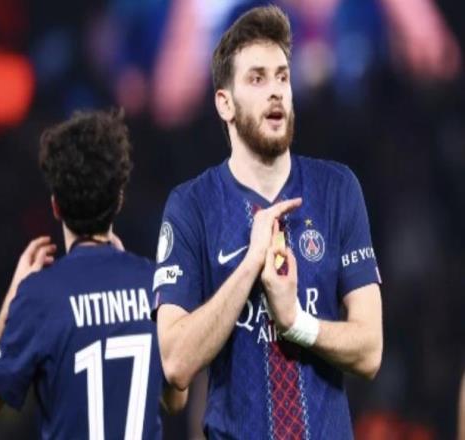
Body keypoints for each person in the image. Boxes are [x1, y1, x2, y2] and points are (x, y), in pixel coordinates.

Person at [154, 6, 382, 439]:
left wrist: (296, 322)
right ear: (225, 103)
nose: (275, 91)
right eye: (257, 79)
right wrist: (249, 267)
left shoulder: (336, 189)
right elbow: (175, 364)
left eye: (282, 77)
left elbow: (370, 350)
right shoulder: (192, 206)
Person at [0, 110, 187, 439]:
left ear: (55, 205)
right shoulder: (155, 285)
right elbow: (176, 399)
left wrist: (14, 295)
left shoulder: (40, 296)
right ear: (119, 199)